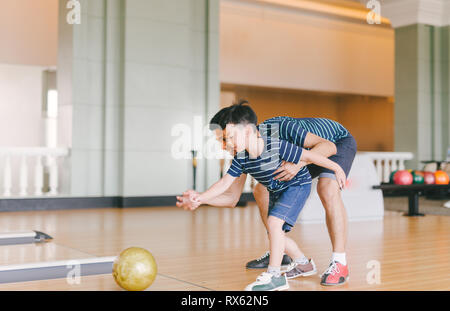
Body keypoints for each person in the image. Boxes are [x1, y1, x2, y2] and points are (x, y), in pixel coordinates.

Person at [176, 101, 348, 291]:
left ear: (249, 132)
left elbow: (314, 153)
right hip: (281, 182)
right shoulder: (241, 155)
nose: (225, 146)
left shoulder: (275, 140)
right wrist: (200, 198)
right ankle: (299, 261)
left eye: (228, 138)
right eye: (222, 140)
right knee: (269, 214)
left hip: (333, 143)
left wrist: (324, 167)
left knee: (324, 189)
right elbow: (228, 189)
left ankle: (327, 264)